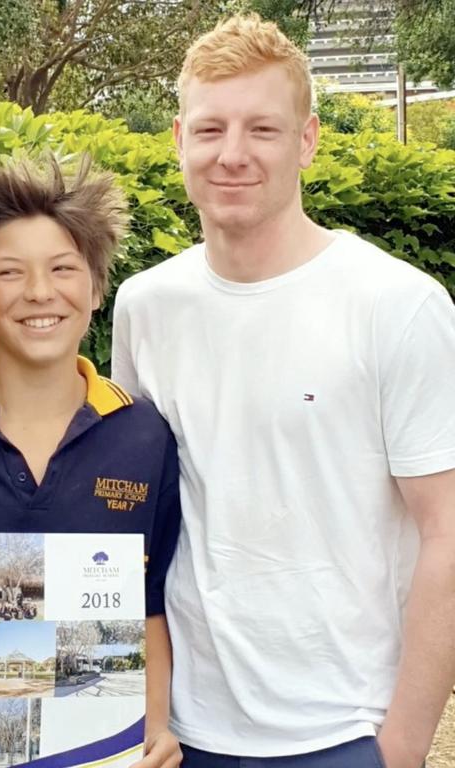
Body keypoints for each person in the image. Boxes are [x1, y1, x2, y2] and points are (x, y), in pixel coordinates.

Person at [112, 14, 455, 768]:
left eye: (262, 129)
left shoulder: (397, 304)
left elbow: (448, 533)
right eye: (210, 130)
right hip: (180, 735)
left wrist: (399, 747)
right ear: (178, 139)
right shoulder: (144, 305)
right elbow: (125, 512)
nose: (232, 155)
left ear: (307, 139)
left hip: (341, 732)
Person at [0, 156, 183, 768]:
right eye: (10, 272)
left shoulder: (145, 437)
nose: (40, 293)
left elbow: (149, 607)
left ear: (97, 288)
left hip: (95, 754)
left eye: (63, 269)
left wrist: (154, 727)